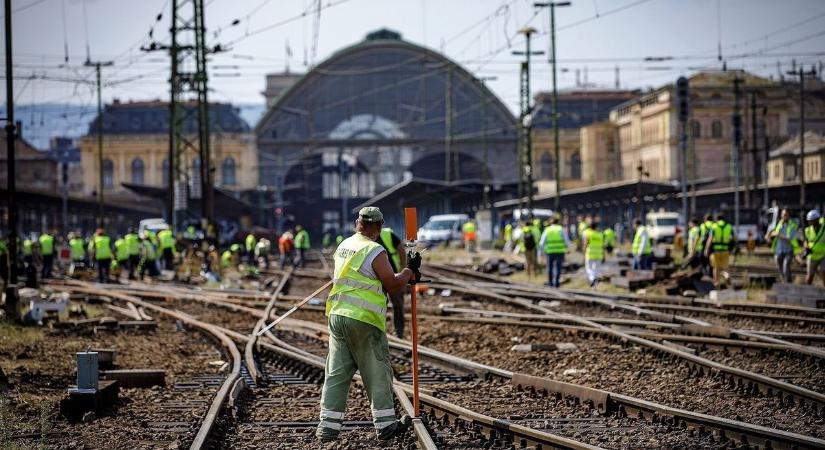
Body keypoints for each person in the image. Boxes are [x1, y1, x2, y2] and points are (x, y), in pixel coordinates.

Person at [316, 207, 415, 443]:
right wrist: (409, 271)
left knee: (336, 373)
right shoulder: (374, 250)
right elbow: (392, 284)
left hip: (338, 316)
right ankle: (386, 425)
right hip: (363, 319)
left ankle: (327, 429)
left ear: (357, 223)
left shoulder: (345, 245)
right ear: (379, 227)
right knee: (377, 370)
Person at [378, 225, 407, 338]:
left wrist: (402, 268)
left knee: (398, 304)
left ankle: (399, 333)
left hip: (394, 275)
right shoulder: (365, 237)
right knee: (378, 305)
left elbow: (401, 248)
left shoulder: (387, 234)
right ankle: (380, 332)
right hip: (377, 278)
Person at [764, 208, 799, 283]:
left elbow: (789, 238)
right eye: (783, 215)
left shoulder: (792, 225)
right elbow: (769, 233)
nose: (784, 216)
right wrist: (768, 237)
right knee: (780, 270)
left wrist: (778, 235)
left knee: (786, 267)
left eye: (786, 215)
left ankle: (788, 284)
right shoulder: (778, 223)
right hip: (778, 251)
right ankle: (784, 282)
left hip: (788, 250)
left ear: (789, 215)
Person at [705, 212, 734, 288]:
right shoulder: (729, 226)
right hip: (725, 250)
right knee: (725, 267)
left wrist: (706, 249)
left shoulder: (714, 227)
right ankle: (726, 276)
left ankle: (716, 283)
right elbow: (733, 238)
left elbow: (710, 239)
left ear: (717, 219)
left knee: (716, 268)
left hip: (716, 251)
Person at [539, 216, 569, 288]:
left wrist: (540, 252)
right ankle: (556, 283)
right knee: (558, 267)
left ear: (550, 222)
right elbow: (566, 241)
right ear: (557, 221)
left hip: (550, 251)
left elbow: (542, 242)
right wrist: (568, 248)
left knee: (550, 267)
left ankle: (550, 283)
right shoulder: (560, 229)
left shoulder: (547, 230)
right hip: (559, 251)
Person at [803, 210, 825, 286]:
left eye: (812, 221)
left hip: (823, 255)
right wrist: (806, 247)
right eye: (809, 221)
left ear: (817, 220)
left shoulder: (823, 229)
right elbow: (805, 241)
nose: (810, 223)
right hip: (812, 256)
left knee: (824, 272)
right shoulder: (807, 230)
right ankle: (807, 291)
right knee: (809, 277)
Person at [582, 220, 605, 287]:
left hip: (590, 254)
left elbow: (586, 243)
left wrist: (583, 251)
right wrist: (604, 255)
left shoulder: (588, 234)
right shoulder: (600, 234)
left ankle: (592, 279)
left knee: (589, 268)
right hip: (599, 254)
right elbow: (602, 246)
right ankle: (595, 280)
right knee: (596, 268)